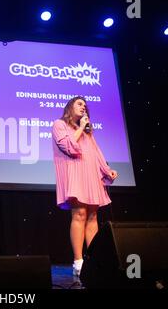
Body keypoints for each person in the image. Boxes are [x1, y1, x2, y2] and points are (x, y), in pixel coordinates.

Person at [52, 96, 118, 277]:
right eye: (79, 104)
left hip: (91, 175)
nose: (83, 107)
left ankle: (93, 259)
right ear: (69, 107)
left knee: (92, 216)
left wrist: (107, 170)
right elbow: (68, 146)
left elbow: (97, 154)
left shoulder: (88, 133)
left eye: (85, 106)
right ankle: (78, 261)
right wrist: (81, 127)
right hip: (75, 174)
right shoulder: (59, 124)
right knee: (79, 214)